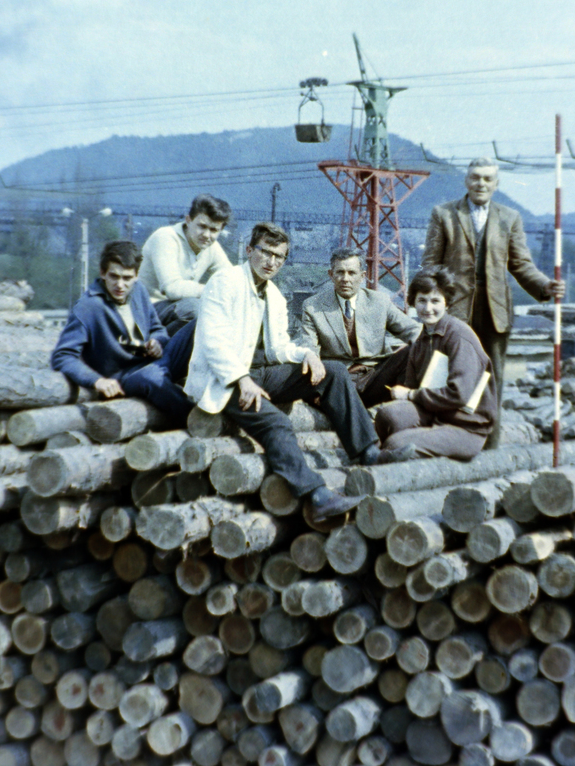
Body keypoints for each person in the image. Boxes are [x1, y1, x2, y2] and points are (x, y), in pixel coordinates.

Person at [182, 222, 386, 525]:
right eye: (265, 253)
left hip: (260, 372)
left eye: (279, 257)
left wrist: (308, 355)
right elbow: (214, 342)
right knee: (275, 420)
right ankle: (316, 496)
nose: (271, 262)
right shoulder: (225, 282)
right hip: (223, 378)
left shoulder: (275, 295)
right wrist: (242, 379)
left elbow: (278, 347)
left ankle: (368, 452)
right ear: (250, 251)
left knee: (333, 371)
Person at [422, 157, 565, 446]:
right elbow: (430, 265)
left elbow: (521, 265)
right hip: (455, 311)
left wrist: (545, 286)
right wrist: (432, 306)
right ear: (466, 180)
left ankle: (489, 446)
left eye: (488, 178)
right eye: (475, 177)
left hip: (495, 313)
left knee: (492, 380)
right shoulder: (444, 214)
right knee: (449, 375)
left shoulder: (509, 218)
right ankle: (444, 439)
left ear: (496, 184)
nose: (481, 183)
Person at [50, 239, 194, 425]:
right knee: (150, 377)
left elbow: (157, 328)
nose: (120, 285)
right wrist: (97, 381)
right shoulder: (88, 307)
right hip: (128, 375)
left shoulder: (138, 290)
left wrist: (157, 341)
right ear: (103, 273)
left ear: (136, 276)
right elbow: (63, 356)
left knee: (199, 321)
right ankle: (194, 418)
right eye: (114, 276)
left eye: (127, 278)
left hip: (156, 360)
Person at [373, 265, 498, 462]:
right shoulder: (421, 341)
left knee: (397, 444)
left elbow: (459, 394)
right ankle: (395, 452)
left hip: (465, 426)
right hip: (432, 414)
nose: (428, 308)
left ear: (447, 303)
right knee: (388, 416)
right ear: (413, 302)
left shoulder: (459, 337)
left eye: (435, 301)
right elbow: (412, 388)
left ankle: (392, 458)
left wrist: (411, 394)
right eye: (421, 300)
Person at [295, 248, 422, 391]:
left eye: (351, 273)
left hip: (376, 374)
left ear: (362, 276)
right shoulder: (313, 306)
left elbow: (412, 330)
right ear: (331, 275)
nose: (345, 279)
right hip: (339, 377)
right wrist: (312, 358)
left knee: (415, 349)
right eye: (340, 272)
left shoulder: (379, 301)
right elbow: (308, 344)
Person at [139, 194, 233, 333]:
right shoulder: (166, 237)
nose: (207, 235)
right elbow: (172, 288)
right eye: (202, 226)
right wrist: (213, 290)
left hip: (175, 311)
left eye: (213, 230)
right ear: (188, 220)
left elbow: (232, 279)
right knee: (195, 309)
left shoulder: (211, 247)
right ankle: (160, 352)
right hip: (146, 310)